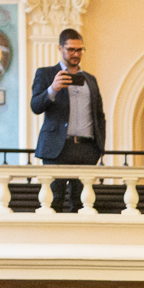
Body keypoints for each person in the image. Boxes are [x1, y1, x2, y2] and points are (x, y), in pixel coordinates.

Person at [31, 28, 107, 212]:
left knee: (83, 203)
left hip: (86, 149)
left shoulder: (90, 79)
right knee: (53, 202)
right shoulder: (46, 74)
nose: (76, 54)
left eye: (79, 50)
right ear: (60, 48)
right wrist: (53, 89)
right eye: (71, 49)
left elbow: (99, 115)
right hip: (57, 148)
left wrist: (99, 147)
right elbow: (35, 106)